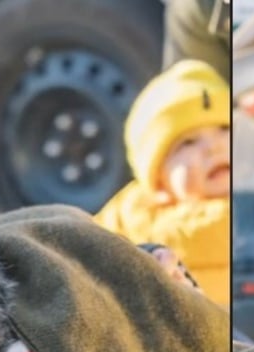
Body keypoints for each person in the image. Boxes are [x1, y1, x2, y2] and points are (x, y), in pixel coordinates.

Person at [95, 59, 231, 309]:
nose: (215, 146)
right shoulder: (124, 227)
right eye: (188, 142)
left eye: (224, 128)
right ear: (158, 182)